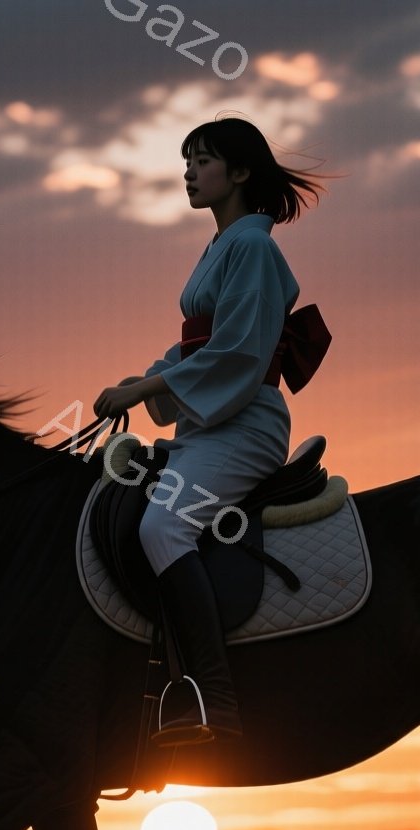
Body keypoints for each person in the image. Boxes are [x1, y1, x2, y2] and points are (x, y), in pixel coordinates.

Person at [93, 116, 328, 747]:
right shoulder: (223, 247)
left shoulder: (252, 247)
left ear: (241, 172)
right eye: (186, 161)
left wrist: (145, 391)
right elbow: (195, 349)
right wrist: (141, 378)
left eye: (202, 161)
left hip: (244, 425)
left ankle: (212, 698)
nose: (189, 172)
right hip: (209, 423)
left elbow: (238, 357)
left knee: (164, 524)